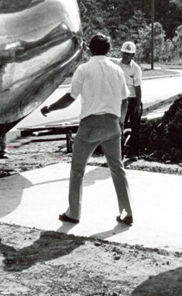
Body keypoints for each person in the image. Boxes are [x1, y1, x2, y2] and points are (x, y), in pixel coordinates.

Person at [40, 33, 133, 225]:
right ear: (109, 50)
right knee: (117, 169)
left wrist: (50, 108)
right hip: (112, 124)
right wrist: (121, 122)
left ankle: (74, 213)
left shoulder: (84, 69)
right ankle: (126, 211)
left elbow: (69, 98)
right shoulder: (117, 71)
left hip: (90, 125)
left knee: (78, 169)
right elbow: (125, 100)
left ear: (90, 49)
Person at [114, 41, 143, 160]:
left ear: (133, 55)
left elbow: (138, 87)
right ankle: (118, 154)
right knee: (118, 126)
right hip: (120, 100)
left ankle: (133, 153)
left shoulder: (136, 68)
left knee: (135, 127)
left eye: (129, 54)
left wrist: (137, 104)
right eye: (124, 53)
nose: (126, 55)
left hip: (132, 99)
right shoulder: (116, 65)